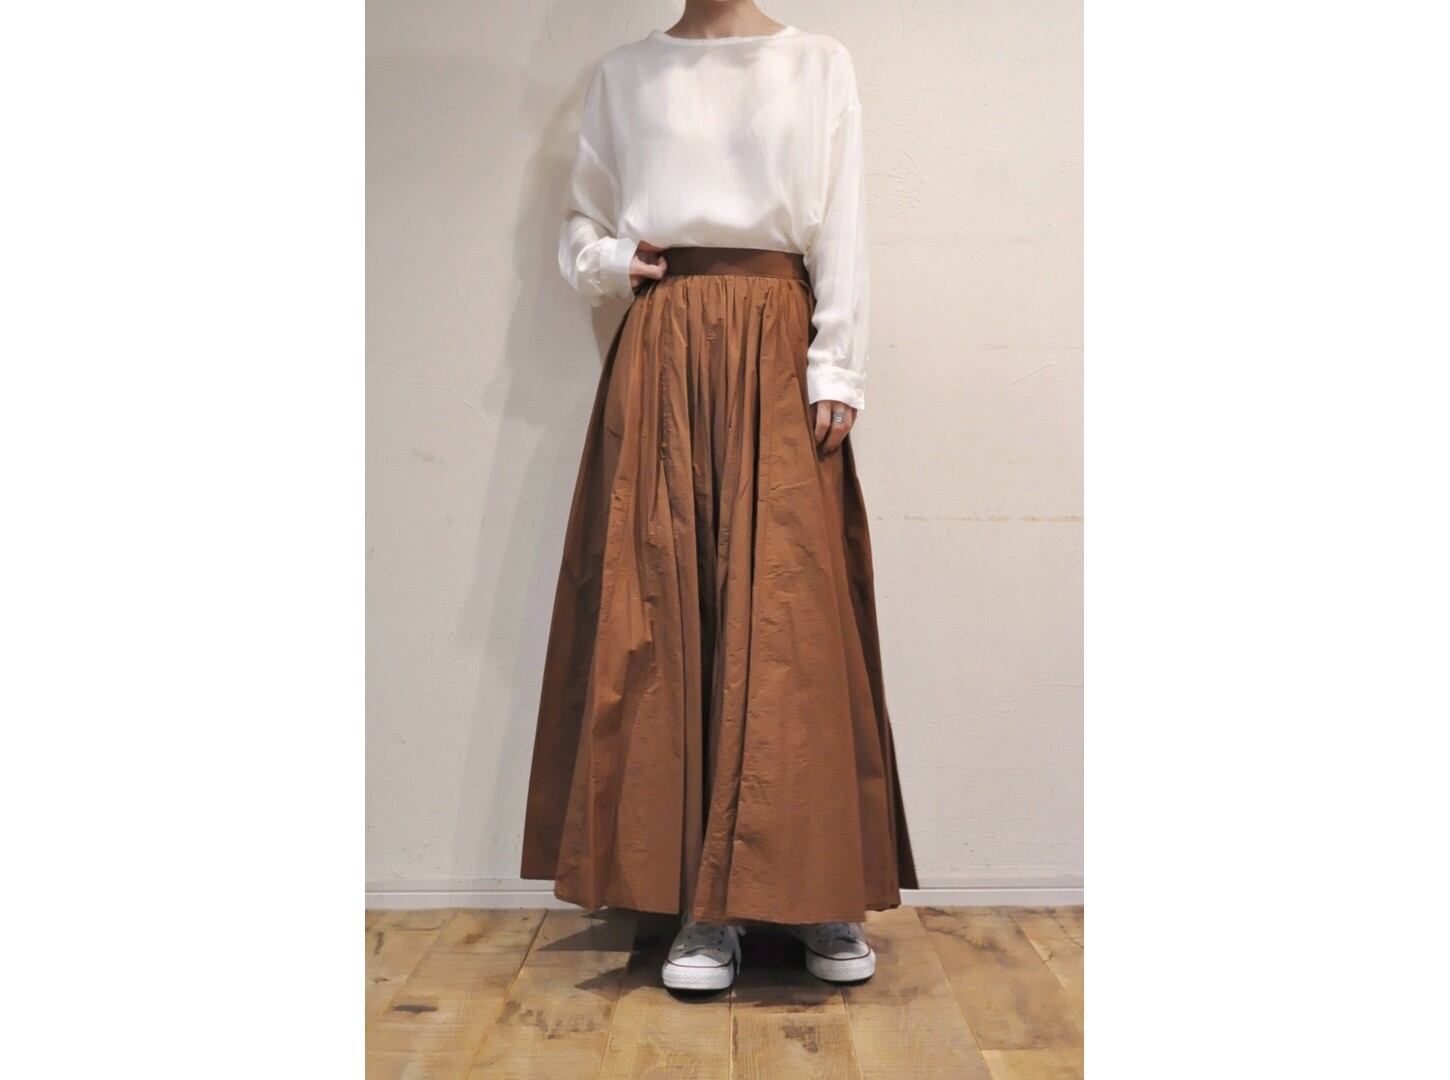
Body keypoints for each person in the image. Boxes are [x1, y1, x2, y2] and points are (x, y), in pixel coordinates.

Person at [519, 0, 918, 993]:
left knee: (793, 615)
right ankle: (701, 906)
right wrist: (611, 260)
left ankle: (816, 888)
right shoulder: (623, 75)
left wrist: (838, 365)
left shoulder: (818, 63)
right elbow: (581, 222)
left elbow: (843, 221)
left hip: (778, 342)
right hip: (664, 346)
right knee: (668, 613)